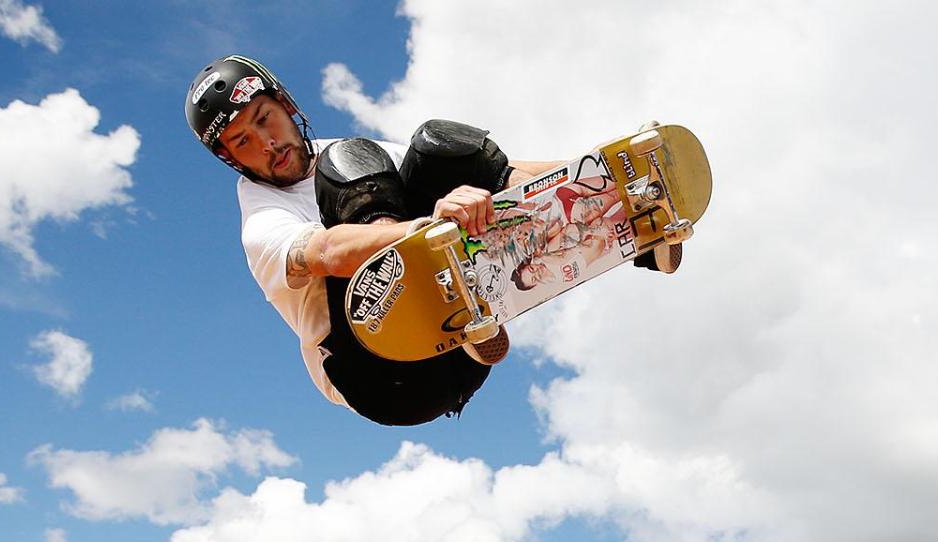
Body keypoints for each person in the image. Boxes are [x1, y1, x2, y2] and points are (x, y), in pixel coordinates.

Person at [186, 56, 681, 427]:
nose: (268, 145)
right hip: (386, 378)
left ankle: (637, 231)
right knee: (350, 171)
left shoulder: (346, 151)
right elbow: (327, 252)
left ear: (287, 107)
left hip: (466, 347)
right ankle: (443, 300)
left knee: (438, 147)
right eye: (243, 142)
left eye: (264, 120)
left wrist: (597, 171)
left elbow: (495, 176)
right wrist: (422, 230)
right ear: (232, 159)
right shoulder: (261, 220)